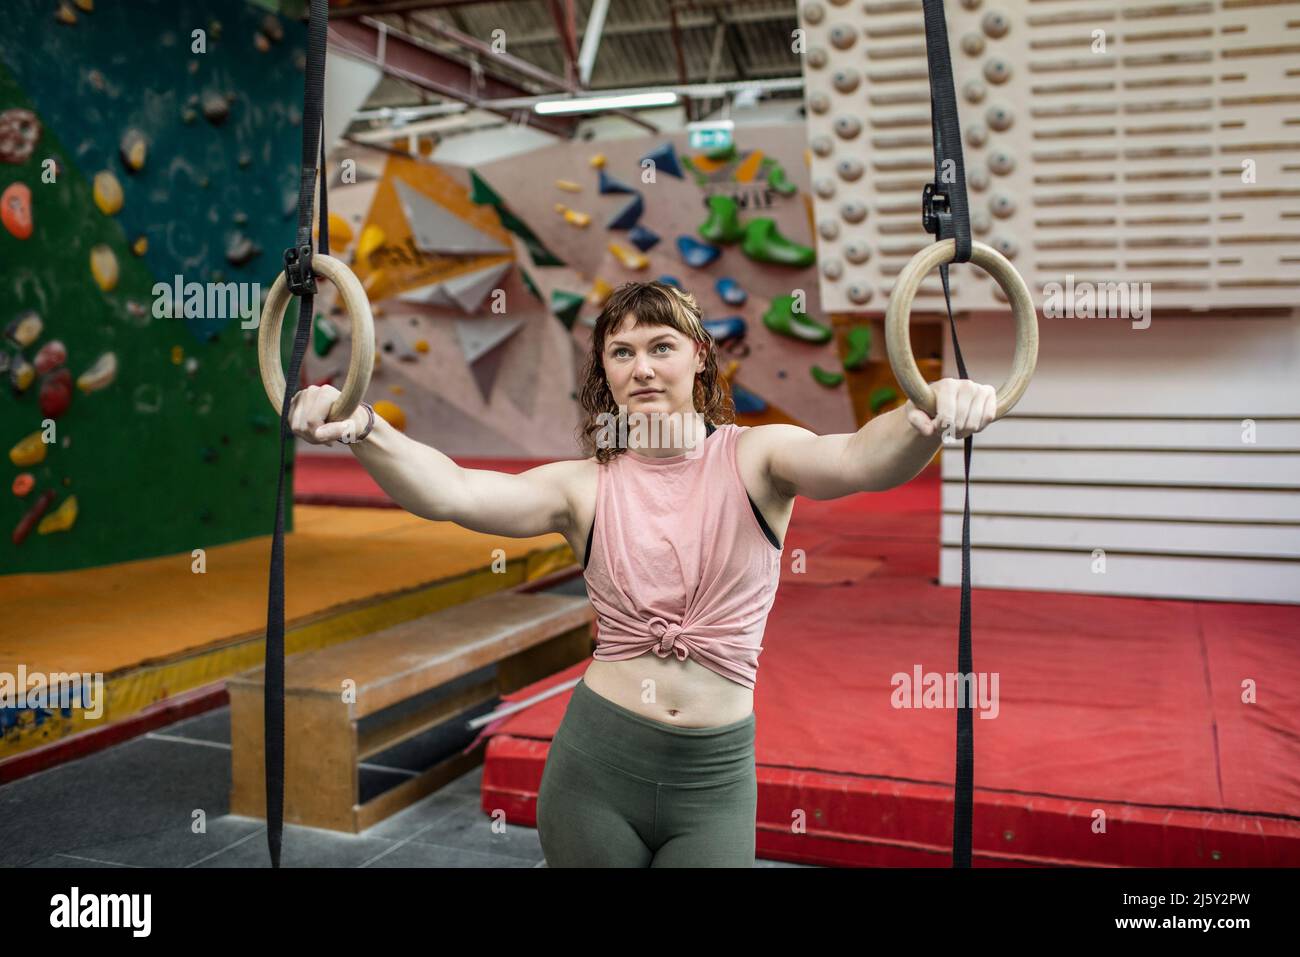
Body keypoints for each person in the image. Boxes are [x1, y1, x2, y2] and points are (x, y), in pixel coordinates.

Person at [288, 279, 997, 867]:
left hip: (712, 781)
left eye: (660, 346)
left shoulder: (759, 456)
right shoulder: (583, 486)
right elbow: (453, 492)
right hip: (596, 766)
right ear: (607, 373)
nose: (642, 367)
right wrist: (362, 426)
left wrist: (927, 414)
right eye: (621, 352)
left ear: (697, 357)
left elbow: (857, 460)